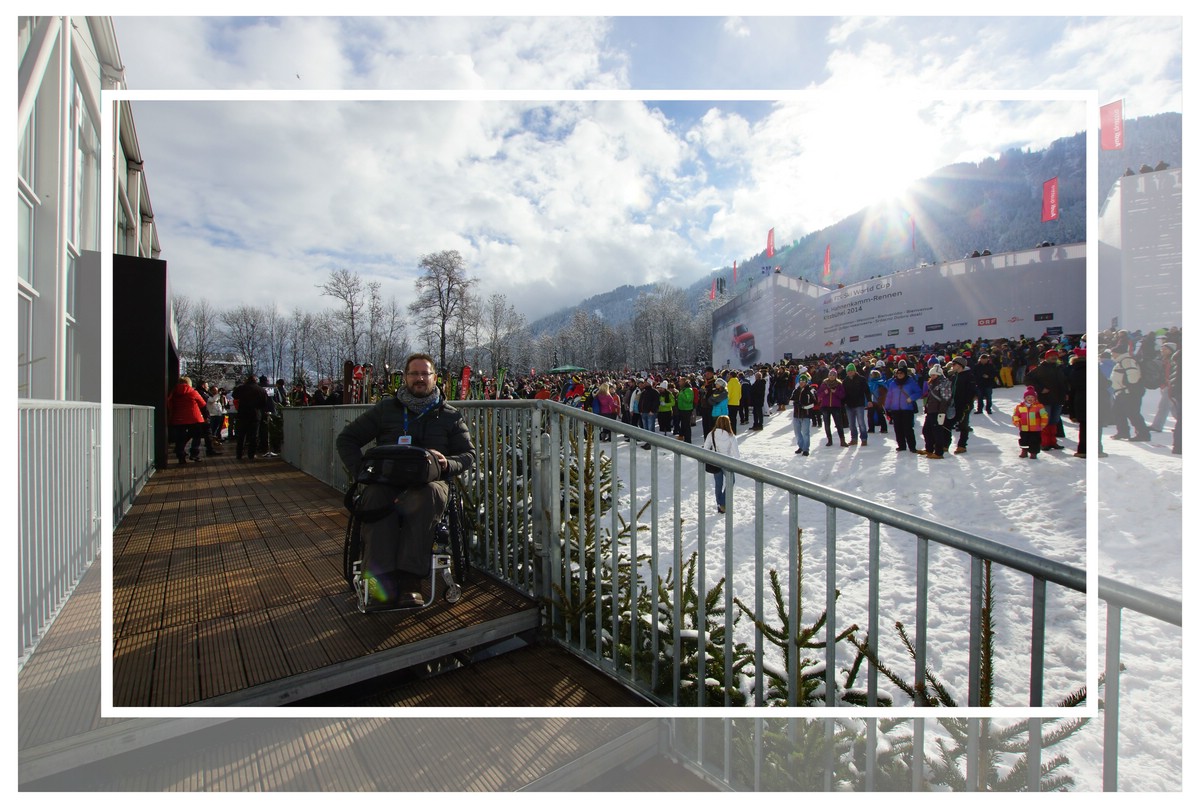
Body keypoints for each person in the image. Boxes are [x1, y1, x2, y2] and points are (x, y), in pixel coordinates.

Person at [336, 352, 477, 609]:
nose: (420, 378)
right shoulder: (385, 410)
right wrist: (361, 473)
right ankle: (380, 580)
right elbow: (347, 439)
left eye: (425, 373)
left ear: (435, 378)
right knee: (376, 497)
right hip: (387, 479)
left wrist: (448, 464)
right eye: (414, 373)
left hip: (430, 482)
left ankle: (410, 580)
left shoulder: (450, 415)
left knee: (424, 497)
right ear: (405, 377)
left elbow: (468, 455)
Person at [1109, 344, 1150, 441]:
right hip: (1122, 392)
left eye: (1113, 353)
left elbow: (1133, 376)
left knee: (1132, 413)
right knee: (1118, 412)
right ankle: (1123, 432)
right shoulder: (1121, 361)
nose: (1112, 355)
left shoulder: (1127, 361)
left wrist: (1127, 386)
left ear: (1118, 353)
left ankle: (1143, 434)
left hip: (1128, 392)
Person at [166, 375, 209, 465]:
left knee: (180, 438)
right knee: (197, 436)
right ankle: (194, 453)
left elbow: (169, 404)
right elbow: (203, 404)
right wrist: (205, 416)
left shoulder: (173, 392)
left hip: (178, 419)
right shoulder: (192, 392)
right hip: (194, 418)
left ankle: (180, 455)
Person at [702, 414, 740, 514]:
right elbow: (736, 453)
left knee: (718, 484)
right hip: (727, 462)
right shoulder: (731, 436)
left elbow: (706, 448)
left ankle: (720, 504)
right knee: (731, 482)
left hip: (715, 461)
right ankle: (723, 502)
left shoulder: (712, 434)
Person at [231, 374, 269, 461]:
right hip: (255, 414)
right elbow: (264, 403)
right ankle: (251, 454)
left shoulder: (241, 388)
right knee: (254, 436)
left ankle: (239, 454)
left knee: (241, 435)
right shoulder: (261, 390)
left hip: (243, 414)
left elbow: (234, 395)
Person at [885, 365, 922, 453]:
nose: (899, 374)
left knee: (908, 428)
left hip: (907, 409)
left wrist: (911, 398)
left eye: (901, 373)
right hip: (895, 409)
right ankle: (901, 446)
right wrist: (887, 407)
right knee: (898, 428)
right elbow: (889, 396)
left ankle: (912, 446)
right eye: (898, 373)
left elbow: (919, 392)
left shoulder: (910, 382)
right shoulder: (893, 383)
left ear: (905, 374)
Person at [919, 364, 953, 458]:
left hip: (937, 411)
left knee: (937, 432)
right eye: (931, 375)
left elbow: (945, 399)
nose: (932, 376)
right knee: (927, 431)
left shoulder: (944, 383)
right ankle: (929, 449)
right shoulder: (932, 383)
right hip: (931, 410)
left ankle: (939, 452)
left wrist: (942, 412)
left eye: (934, 375)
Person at [947, 356, 976, 454]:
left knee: (963, 425)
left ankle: (962, 445)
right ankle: (945, 445)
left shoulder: (968, 375)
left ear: (960, 365)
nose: (952, 366)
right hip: (953, 404)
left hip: (964, 404)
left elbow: (972, 391)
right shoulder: (954, 376)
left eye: (954, 364)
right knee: (947, 424)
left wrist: (968, 403)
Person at [1012, 387, 1050, 459]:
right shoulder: (1020, 407)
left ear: (1035, 398)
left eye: (1032, 397)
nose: (1030, 398)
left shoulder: (1039, 406)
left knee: (1034, 441)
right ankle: (1024, 450)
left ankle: (1033, 452)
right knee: (1024, 440)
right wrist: (1016, 421)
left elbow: (1044, 416)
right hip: (1024, 428)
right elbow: (1015, 415)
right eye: (1028, 397)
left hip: (1035, 428)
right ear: (1025, 398)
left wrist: (1043, 424)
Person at [816, 368, 848, 447]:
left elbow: (843, 395)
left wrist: (835, 392)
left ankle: (842, 440)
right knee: (827, 425)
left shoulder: (839, 384)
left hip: (836, 407)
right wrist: (824, 393)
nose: (832, 376)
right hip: (825, 407)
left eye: (833, 375)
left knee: (839, 424)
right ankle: (829, 440)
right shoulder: (824, 383)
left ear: (836, 376)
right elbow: (819, 394)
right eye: (830, 374)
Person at [841, 363, 870, 445]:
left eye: (851, 370)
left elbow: (867, 391)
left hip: (859, 404)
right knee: (851, 424)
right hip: (849, 405)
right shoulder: (845, 381)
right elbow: (843, 394)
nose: (850, 372)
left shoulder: (861, 379)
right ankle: (854, 438)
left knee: (861, 423)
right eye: (848, 371)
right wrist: (842, 403)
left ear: (854, 371)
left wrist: (869, 400)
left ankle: (864, 438)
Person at [790, 372, 817, 455]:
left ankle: (806, 449)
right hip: (796, 415)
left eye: (803, 381)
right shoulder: (796, 390)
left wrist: (804, 407)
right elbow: (790, 401)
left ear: (806, 382)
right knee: (797, 433)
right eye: (800, 381)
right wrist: (795, 403)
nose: (802, 383)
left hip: (806, 415)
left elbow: (814, 403)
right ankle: (800, 446)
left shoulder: (810, 391)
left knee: (805, 433)